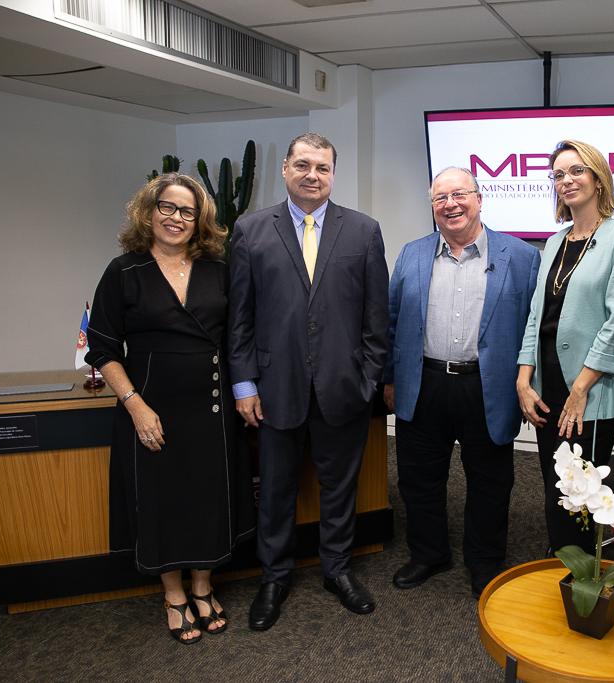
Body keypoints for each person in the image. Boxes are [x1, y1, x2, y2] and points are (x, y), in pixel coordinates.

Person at [86, 173, 255, 645]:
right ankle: (173, 594)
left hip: (212, 407)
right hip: (151, 408)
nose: (176, 218)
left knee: (207, 499)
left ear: (199, 221)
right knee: (162, 503)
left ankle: (202, 586)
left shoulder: (218, 269)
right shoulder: (124, 271)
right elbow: (102, 348)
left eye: (187, 211)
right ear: (149, 211)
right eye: (168, 207)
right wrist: (135, 406)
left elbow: (238, 335)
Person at [228, 132, 389, 629]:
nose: (312, 175)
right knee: (276, 490)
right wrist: (244, 384)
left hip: (343, 388)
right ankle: (273, 578)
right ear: (285, 169)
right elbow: (240, 318)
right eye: (303, 165)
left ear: (333, 174)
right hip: (274, 389)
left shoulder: (363, 231)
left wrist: (368, 380)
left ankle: (336, 570)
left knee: (339, 488)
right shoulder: (251, 230)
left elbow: (376, 319)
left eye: (322, 167)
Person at [384, 168, 540, 599]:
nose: (450, 204)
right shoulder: (412, 254)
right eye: (440, 198)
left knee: (490, 480)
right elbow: (392, 321)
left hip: (487, 386)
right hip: (424, 382)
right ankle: (428, 553)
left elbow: (534, 328)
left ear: (479, 198)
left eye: (459, 195)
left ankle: (484, 561)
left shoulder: (521, 257)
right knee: (418, 477)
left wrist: (529, 385)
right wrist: (390, 379)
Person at [516, 140, 614, 554]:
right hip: (547, 384)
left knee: (583, 493)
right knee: (556, 486)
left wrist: (580, 388)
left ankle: (582, 577)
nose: (566, 180)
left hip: (588, 389)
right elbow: (537, 315)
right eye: (558, 174)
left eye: (576, 170)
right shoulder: (555, 242)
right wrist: (523, 379)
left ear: (597, 178)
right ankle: (562, 565)